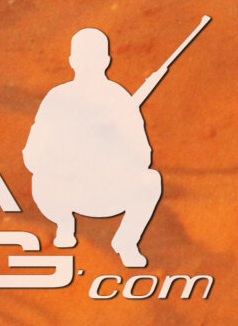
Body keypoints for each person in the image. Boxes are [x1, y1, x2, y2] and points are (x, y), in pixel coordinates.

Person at [27, 24, 173, 269]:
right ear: (73, 60)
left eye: (93, 57)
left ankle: (126, 242)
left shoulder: (119, 99)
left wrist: (111, 147)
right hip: (66, 191)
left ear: (106, 60)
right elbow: (32, 156)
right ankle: (64, 225)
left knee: (150, 180)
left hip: (109, 192)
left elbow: (142, 157)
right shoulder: (57, 98)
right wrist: (66, 159)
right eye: (85, 57)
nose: (88, 63)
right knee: (40, 179)